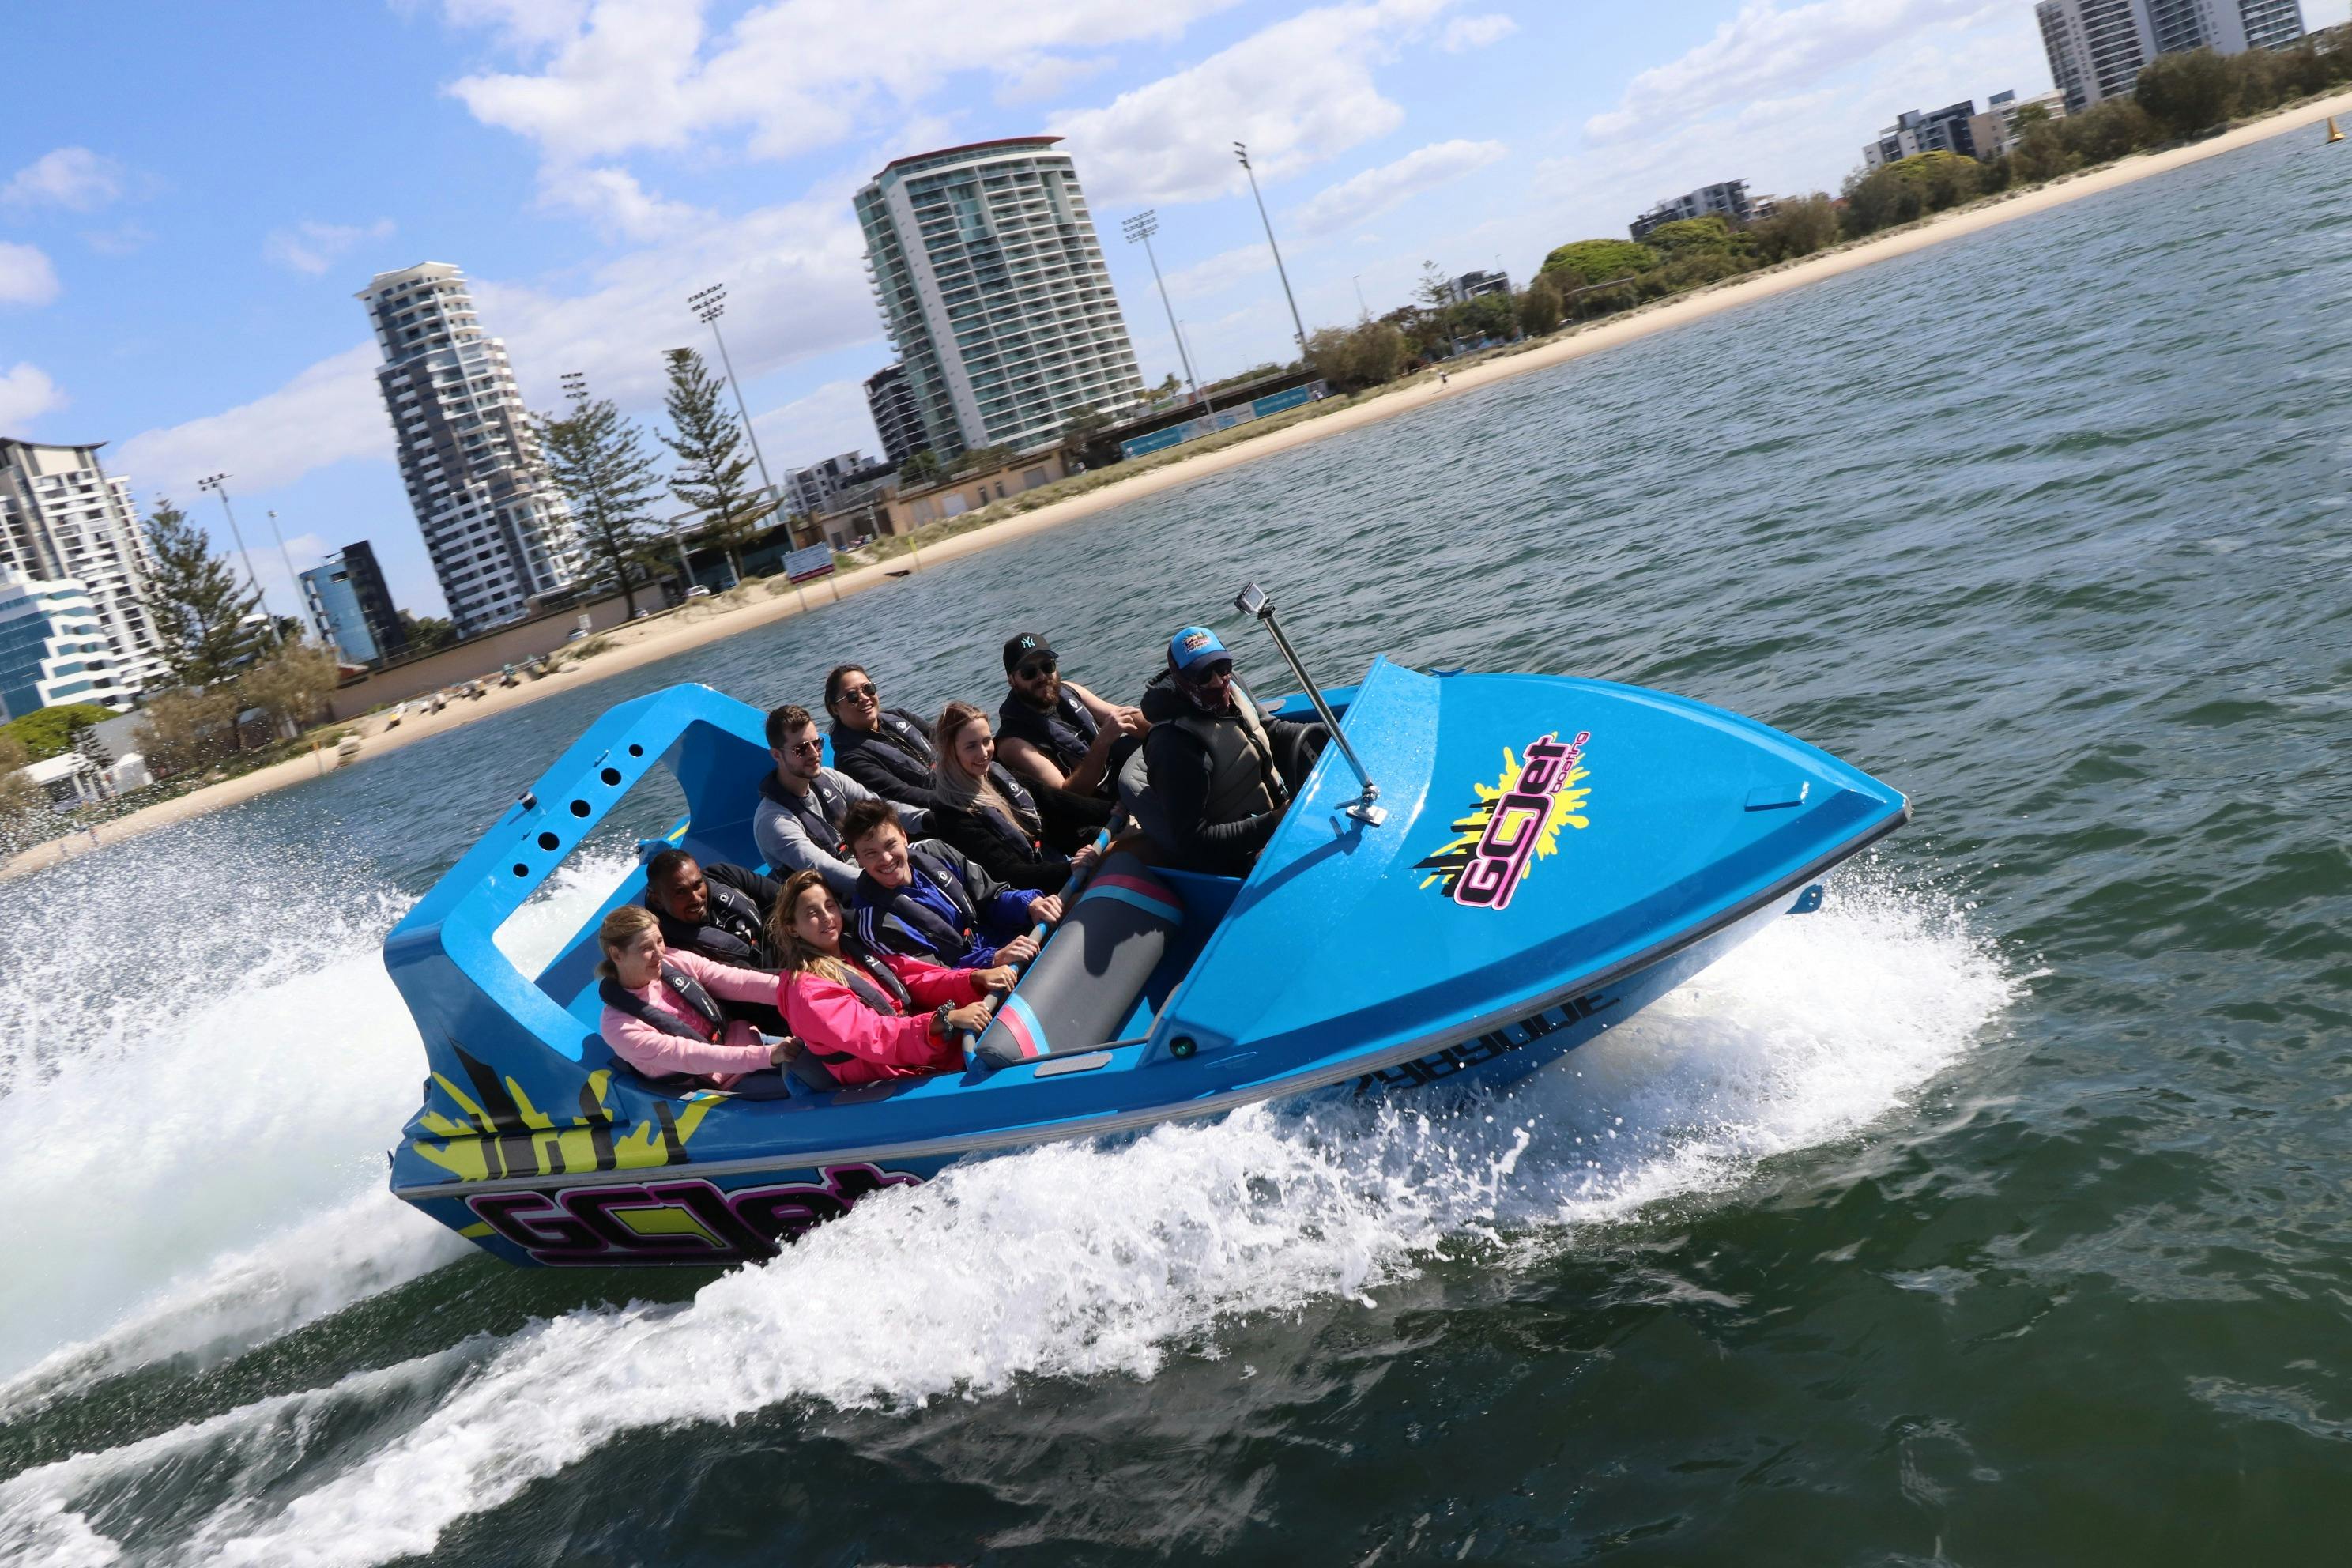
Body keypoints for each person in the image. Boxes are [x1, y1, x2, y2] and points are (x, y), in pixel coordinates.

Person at [769, 869, 1013, 1085]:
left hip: (918, 1051)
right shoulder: (807, 992)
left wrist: (975, 978)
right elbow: (874, 1035)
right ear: (792, 928)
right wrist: (943, 1020)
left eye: (830, 906)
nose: (826, 917)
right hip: (892, 1078)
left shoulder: (853, 950)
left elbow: (914, 976)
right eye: (812, 913)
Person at [1138, 624, 1328, 878]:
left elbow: (1269, 731)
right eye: (1203, 675)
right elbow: (1194, 841)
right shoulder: (1175, 746)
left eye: (1222, 666)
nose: (1218, 680)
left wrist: (1328, 736)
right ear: (1181, 679)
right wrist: (1275, 821)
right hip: (1243, 856)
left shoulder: (1233, 685)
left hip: (1284, 814)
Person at [594, 905, 797, 1091]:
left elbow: (740, 982)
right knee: (808, 1089)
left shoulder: (676, 960)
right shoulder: (618, 1026)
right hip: (721, 1085)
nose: (659, 954)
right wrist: (768, 1056)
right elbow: (689, 1056)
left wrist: (798, 992)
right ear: (617, 955)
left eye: (659, 941)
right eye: (646, 948)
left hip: (752, 1044)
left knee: (812, 1059)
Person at [839, 798, 1060, 970]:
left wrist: (1029, 904)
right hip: (983, 982)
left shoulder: (935, 851)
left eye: (890, 845)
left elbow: (991, 897)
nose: (886, 859)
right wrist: (993, 959)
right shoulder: (872, 923)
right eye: (871, 854)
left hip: (1013, 942)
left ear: (904, 836)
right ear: (858, 860)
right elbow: (935, 976)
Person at [752, 703, 925, 899]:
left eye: (817, 743)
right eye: (801, 749)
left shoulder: (830, 779)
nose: (814, 753)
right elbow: (821, 866)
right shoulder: (773, 821)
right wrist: (884, 880)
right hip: (835, 902)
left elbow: (881, 809)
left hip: (870, 872)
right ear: (776, 755)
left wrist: (928, 819)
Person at [928, 700, 1103, 894]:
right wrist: (1069, 869)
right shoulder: (952, 816)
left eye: (986, 741)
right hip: (1031, 893)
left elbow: (1053, 799)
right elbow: (1007, 872)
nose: (984, 752)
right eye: (971, 746)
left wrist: (1111, 809)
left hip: (1055, 860)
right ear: (951, 752)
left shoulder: (995, 775)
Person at [994, 631, 1148, 799]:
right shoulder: (1013, 743)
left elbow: (1126, 718)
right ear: (1012, 681)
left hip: (1114, 774)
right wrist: (1102, 742)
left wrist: (1162, 725)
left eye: (1047, 666)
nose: (1042, 676)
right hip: (1095, 804)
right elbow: (1068, 795)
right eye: (1029, 672)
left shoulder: (1068, 690)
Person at [824, 663, 948, 813]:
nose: (864, 698)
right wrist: (954, 798)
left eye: (868, 688)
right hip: (930, 813)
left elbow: (949, 742)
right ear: (834, 708)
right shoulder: (850, 760)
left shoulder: (900, 716)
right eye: (852, 696)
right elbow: (902, 793)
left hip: (953, 784)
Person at [643, 847, 780, 968]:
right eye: (680, 892)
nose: (696, 898)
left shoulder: (723, 874)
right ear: (657, 901)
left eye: (697, 885)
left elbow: (784, 898)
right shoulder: (668, 945)